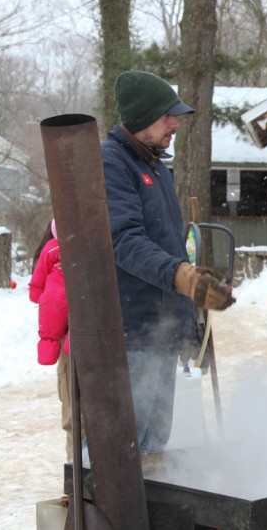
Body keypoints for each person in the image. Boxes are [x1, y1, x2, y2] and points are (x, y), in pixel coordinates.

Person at [102, 70, 236, 454]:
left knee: (153, 444)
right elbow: (124, 241)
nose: (175, 123)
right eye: (167, 116)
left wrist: (187, 312)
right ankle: (105, 515)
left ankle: (142, 516)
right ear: (142, 117)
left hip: (159, 330)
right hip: (133, 331)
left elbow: (165, 242)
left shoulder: (155, 165)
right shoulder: (112, 162)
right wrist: (185, 278)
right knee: (122, 448)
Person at [29, 218, 75, 461]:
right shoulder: (57, 238)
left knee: (79, 419)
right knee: (76, 420)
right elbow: (38, 287)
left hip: (86, 334)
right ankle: (80, 484)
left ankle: (84, 482)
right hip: (71, 338)